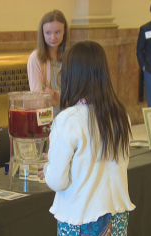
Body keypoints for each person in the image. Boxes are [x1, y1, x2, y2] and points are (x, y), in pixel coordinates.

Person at [38, 41, 135, 235]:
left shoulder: (67, 120)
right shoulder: (121, 115)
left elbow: (58, 181)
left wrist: (49, 168)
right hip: (116, 216)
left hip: (80, 218)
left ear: (71, 76)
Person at [27, 9, 68, 116]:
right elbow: (37, 98)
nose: (53, 37)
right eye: (48, 33)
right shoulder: (35, 58)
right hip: (46, 117)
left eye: (57, 32)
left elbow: (76, 93)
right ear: (42, 34)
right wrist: (56, 96)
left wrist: (55, 96)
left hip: (69, 115)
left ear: (64, 32)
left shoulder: (70, 56)